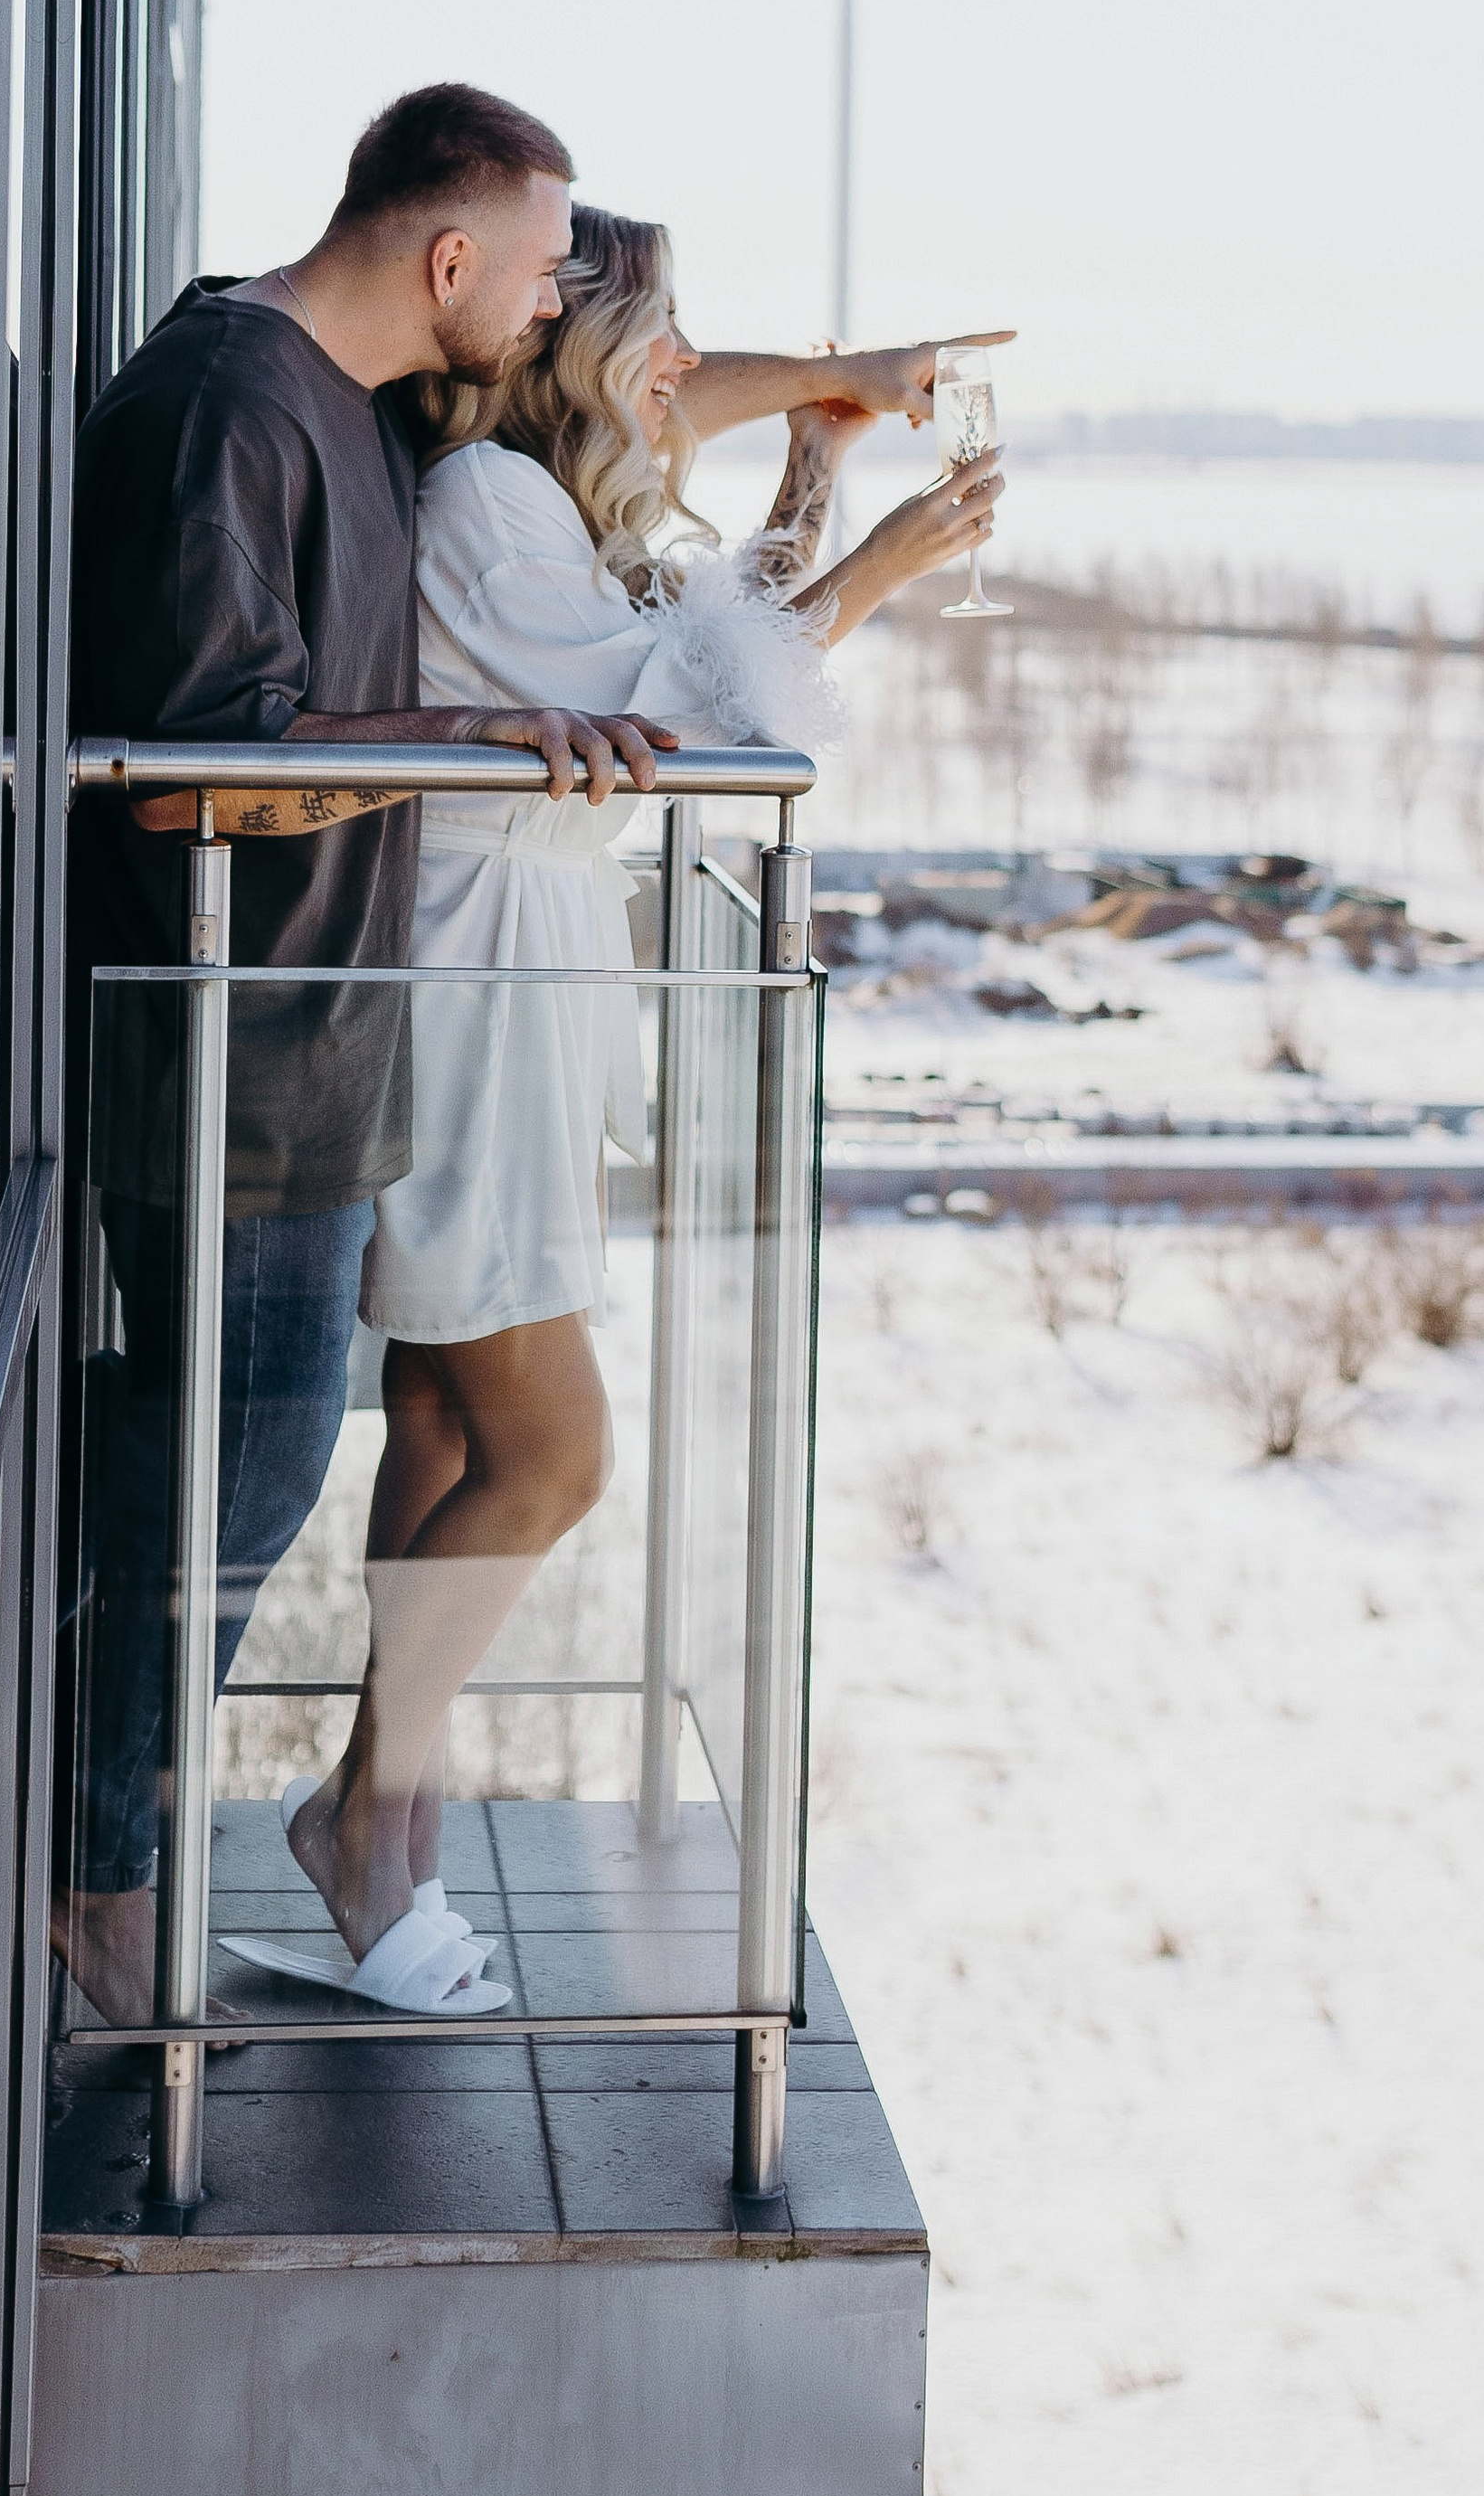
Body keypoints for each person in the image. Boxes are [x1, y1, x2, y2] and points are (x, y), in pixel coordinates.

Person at [256, 203, 1004, 1986]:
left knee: (441, 1428)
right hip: (473, 1015)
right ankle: (363, 1807)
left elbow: (682, 654)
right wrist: (880, 559)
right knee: (553, 1453)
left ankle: (390, 1803)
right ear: (560, 344)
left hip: (503, 989)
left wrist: (816, 460)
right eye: (653, 337)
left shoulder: (526, 502)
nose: (680, 370)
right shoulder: (489, 512)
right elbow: (695, 730)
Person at [62, 81, 691, 2028]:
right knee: (210, 1526)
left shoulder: (307, 389)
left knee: (226, 1510)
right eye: (527, 269)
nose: (540, 306)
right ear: (443, 260)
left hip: (314, 1057)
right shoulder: (229, 410)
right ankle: (88, 1909)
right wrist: (454, 744)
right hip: (230, 1068)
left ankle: (98, 1879)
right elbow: (180, 785)